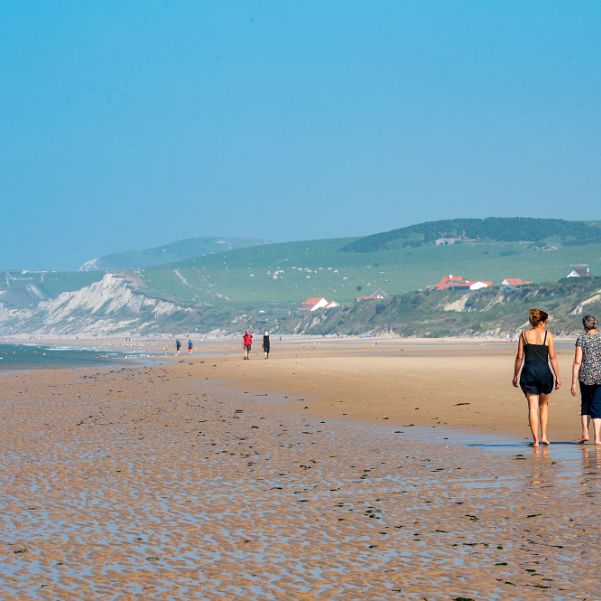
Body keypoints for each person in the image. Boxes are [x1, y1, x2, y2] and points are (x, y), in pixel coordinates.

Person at [512, 308, 561, 447]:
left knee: (532, 407)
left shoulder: (524, 334)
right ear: (542, 322)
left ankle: (535, 441)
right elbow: (552, 357)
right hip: (544, 372)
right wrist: (558, 376)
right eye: (546, 322)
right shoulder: (548, 335)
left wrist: (515, 375)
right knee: (544, 405)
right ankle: (544, 436)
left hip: (529, 371)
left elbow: (519, 357)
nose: (546, 325)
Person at [571, 315, 601, 444]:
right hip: (600, 374)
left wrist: (573, 382)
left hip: (585, 375)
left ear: (584, 326)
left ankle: (585, 433)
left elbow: (578, 361)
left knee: (585, 404)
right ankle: (598, 438)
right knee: (597, 405)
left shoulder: (581, 338)